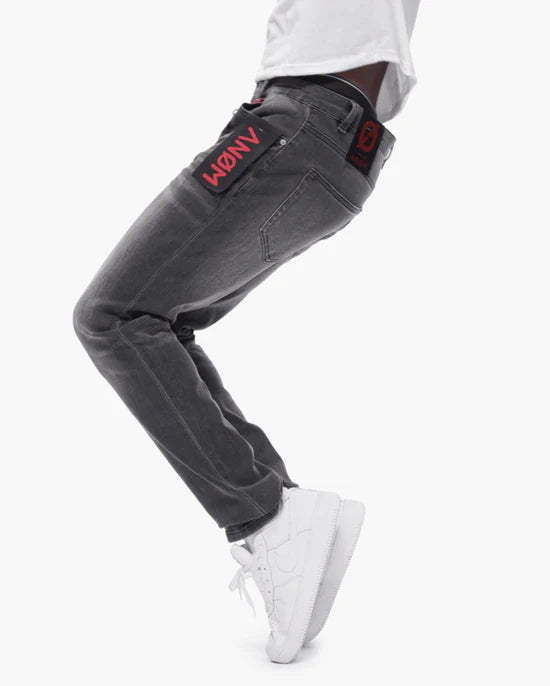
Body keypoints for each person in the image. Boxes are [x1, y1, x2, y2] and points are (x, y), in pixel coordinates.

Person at [73, 0, 420, 664]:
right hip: (338, 145)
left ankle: (266, 517)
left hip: (299, 122)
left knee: (113, 317)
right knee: (156, 322)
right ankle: (288, 512)